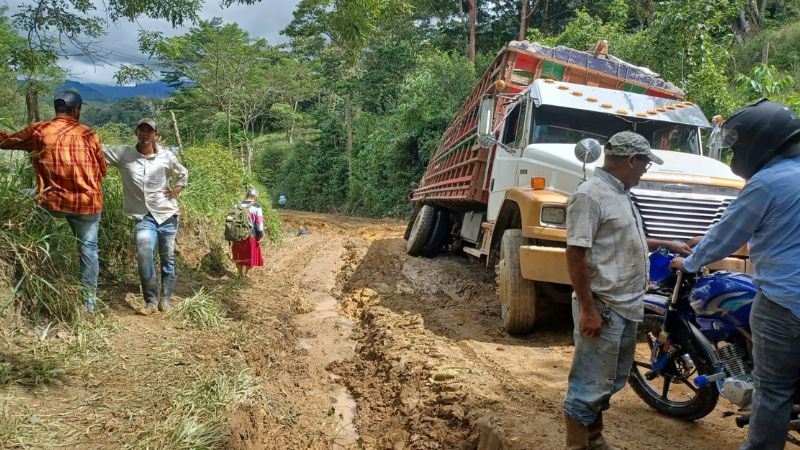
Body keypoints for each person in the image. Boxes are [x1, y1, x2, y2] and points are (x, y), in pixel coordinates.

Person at [670, 99, 800, 450]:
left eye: (738, 143)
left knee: (773, 388)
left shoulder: (768, 182)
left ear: (759, 140)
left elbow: (727, 235)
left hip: (786, 301)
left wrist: (691, 261)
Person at [564, 131, 693, 450]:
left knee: (612, 379)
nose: (645, 170)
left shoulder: (620, 194)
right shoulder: (590, 195)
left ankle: (594, 440)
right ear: (632, 160)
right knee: (590, 383)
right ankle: (578, 445)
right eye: (645, 164)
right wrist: (588, 309)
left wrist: (662, 244)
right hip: (603, 307)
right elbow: (576, 253)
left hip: (624, 305)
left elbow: (622, 238)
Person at [0, 90, 106, 312]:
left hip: (53, 201)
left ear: (57, 109)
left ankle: (44, 281)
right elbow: (102, 170)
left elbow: (6, 142)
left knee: (32, 216)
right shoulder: (89, 134)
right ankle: (89, 304)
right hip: (87, 203)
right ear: (77, 110)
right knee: (88, 250)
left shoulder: (39, 130)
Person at [104, 118, 188, 315]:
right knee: (144, 254)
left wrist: (177, 189)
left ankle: (165, 299)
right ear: (136, 133)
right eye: (141, 130)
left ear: (156, 135)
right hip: (143, 217)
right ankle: (150, 300)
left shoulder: (166, 156)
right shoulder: (124, 154)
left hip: (167, 214)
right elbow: (97, 151)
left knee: (167, 257)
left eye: (149, 131)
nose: (145, 134)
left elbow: (183, 172)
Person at [231, 188, 265, 277]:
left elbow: (231, 220)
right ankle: (246, 274)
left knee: (239, 254)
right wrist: (260, 234)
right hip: (251, 234)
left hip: (237, 234)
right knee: (249, 255)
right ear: (254, 196)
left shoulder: (236, 205)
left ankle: (239, 273)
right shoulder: (256, 206)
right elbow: (259, 222)